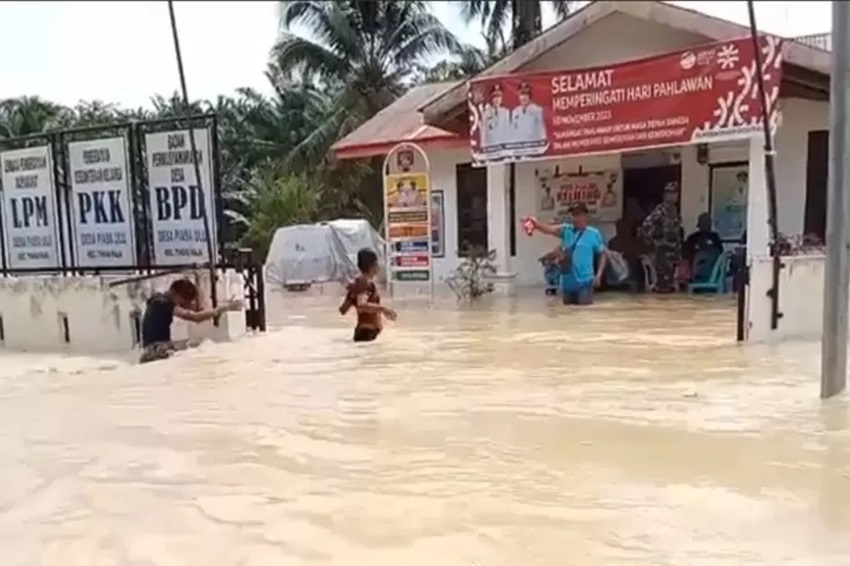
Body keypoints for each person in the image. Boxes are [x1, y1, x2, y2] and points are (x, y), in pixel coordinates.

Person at [139, 278, 242, 364]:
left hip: (149, 349)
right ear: (177, 295)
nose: (182, 305)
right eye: (183, 302)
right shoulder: (164, 304)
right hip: (158, 349)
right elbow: (195, 317)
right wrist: (223, 308)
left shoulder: (156, 299)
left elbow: (196, 310)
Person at [526, 203, 608, 305]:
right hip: (567, 283)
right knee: (567, 314)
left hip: (585, 282)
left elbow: (603, 254)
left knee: (585, 314)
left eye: (578, 215)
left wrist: (599, 276)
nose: (574, 218)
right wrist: (536, 224)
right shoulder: (566, 230)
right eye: (573, 215)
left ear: (585, 216)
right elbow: (549, 230)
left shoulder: (593, 234)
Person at [339, 248, 397, 342]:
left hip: (364, 332)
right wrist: (383, 309)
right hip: (368, 333)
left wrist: (351, 296)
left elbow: (343, 309)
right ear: (373, 265)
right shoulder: (366, 282)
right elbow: (362, 305)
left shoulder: (358, 283)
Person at [639, 182, 683, 293]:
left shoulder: (674, 211)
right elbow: (646, 226)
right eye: (669, 193)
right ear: (665, 195)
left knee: (671, 284)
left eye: (674, 193)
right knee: (662, 285)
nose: (673, 196)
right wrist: (654, 241)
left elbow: (676, 231)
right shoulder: (660, 210)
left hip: (673, 252)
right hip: (662, 251)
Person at [683, 212, 724, 281]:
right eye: (705, 223)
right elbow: (686, 255)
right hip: (698, 273)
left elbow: (720, 254)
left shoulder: (714, 237)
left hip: (711, 272)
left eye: (708, 223)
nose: (707, 225)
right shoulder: (692, 238)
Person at [483, 83, 510, 150]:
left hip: (503, 145)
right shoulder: (486, 113)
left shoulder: (506, 112)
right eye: (494, 97)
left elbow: (508, 129)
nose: (496, 100)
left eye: (499, 97)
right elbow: (484, 131)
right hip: (490, 144)